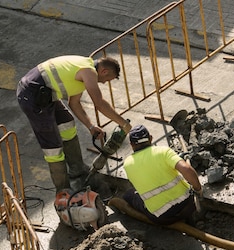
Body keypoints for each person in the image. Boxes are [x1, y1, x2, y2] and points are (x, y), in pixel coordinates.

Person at [17, 55, 132, 192]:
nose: (104, 83)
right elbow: (99, 103)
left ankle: (77, 171)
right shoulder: (88, 71)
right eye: (107, 80)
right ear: (104, 71)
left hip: (46, 94)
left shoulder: (82, 70)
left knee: (67, 123)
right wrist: (123, 124)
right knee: (53, 148)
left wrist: (90, 127)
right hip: (32, 96)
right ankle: (64, 191)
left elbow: (74, 103)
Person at [122, 125, 203, 225]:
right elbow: (186, 169)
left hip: (163, 218)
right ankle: (190, 220)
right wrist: (198, 189)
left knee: (129, 195)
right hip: (188, 206)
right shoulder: (163, 151)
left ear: (131, 145)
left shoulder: (127, 164)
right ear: (151, 138)